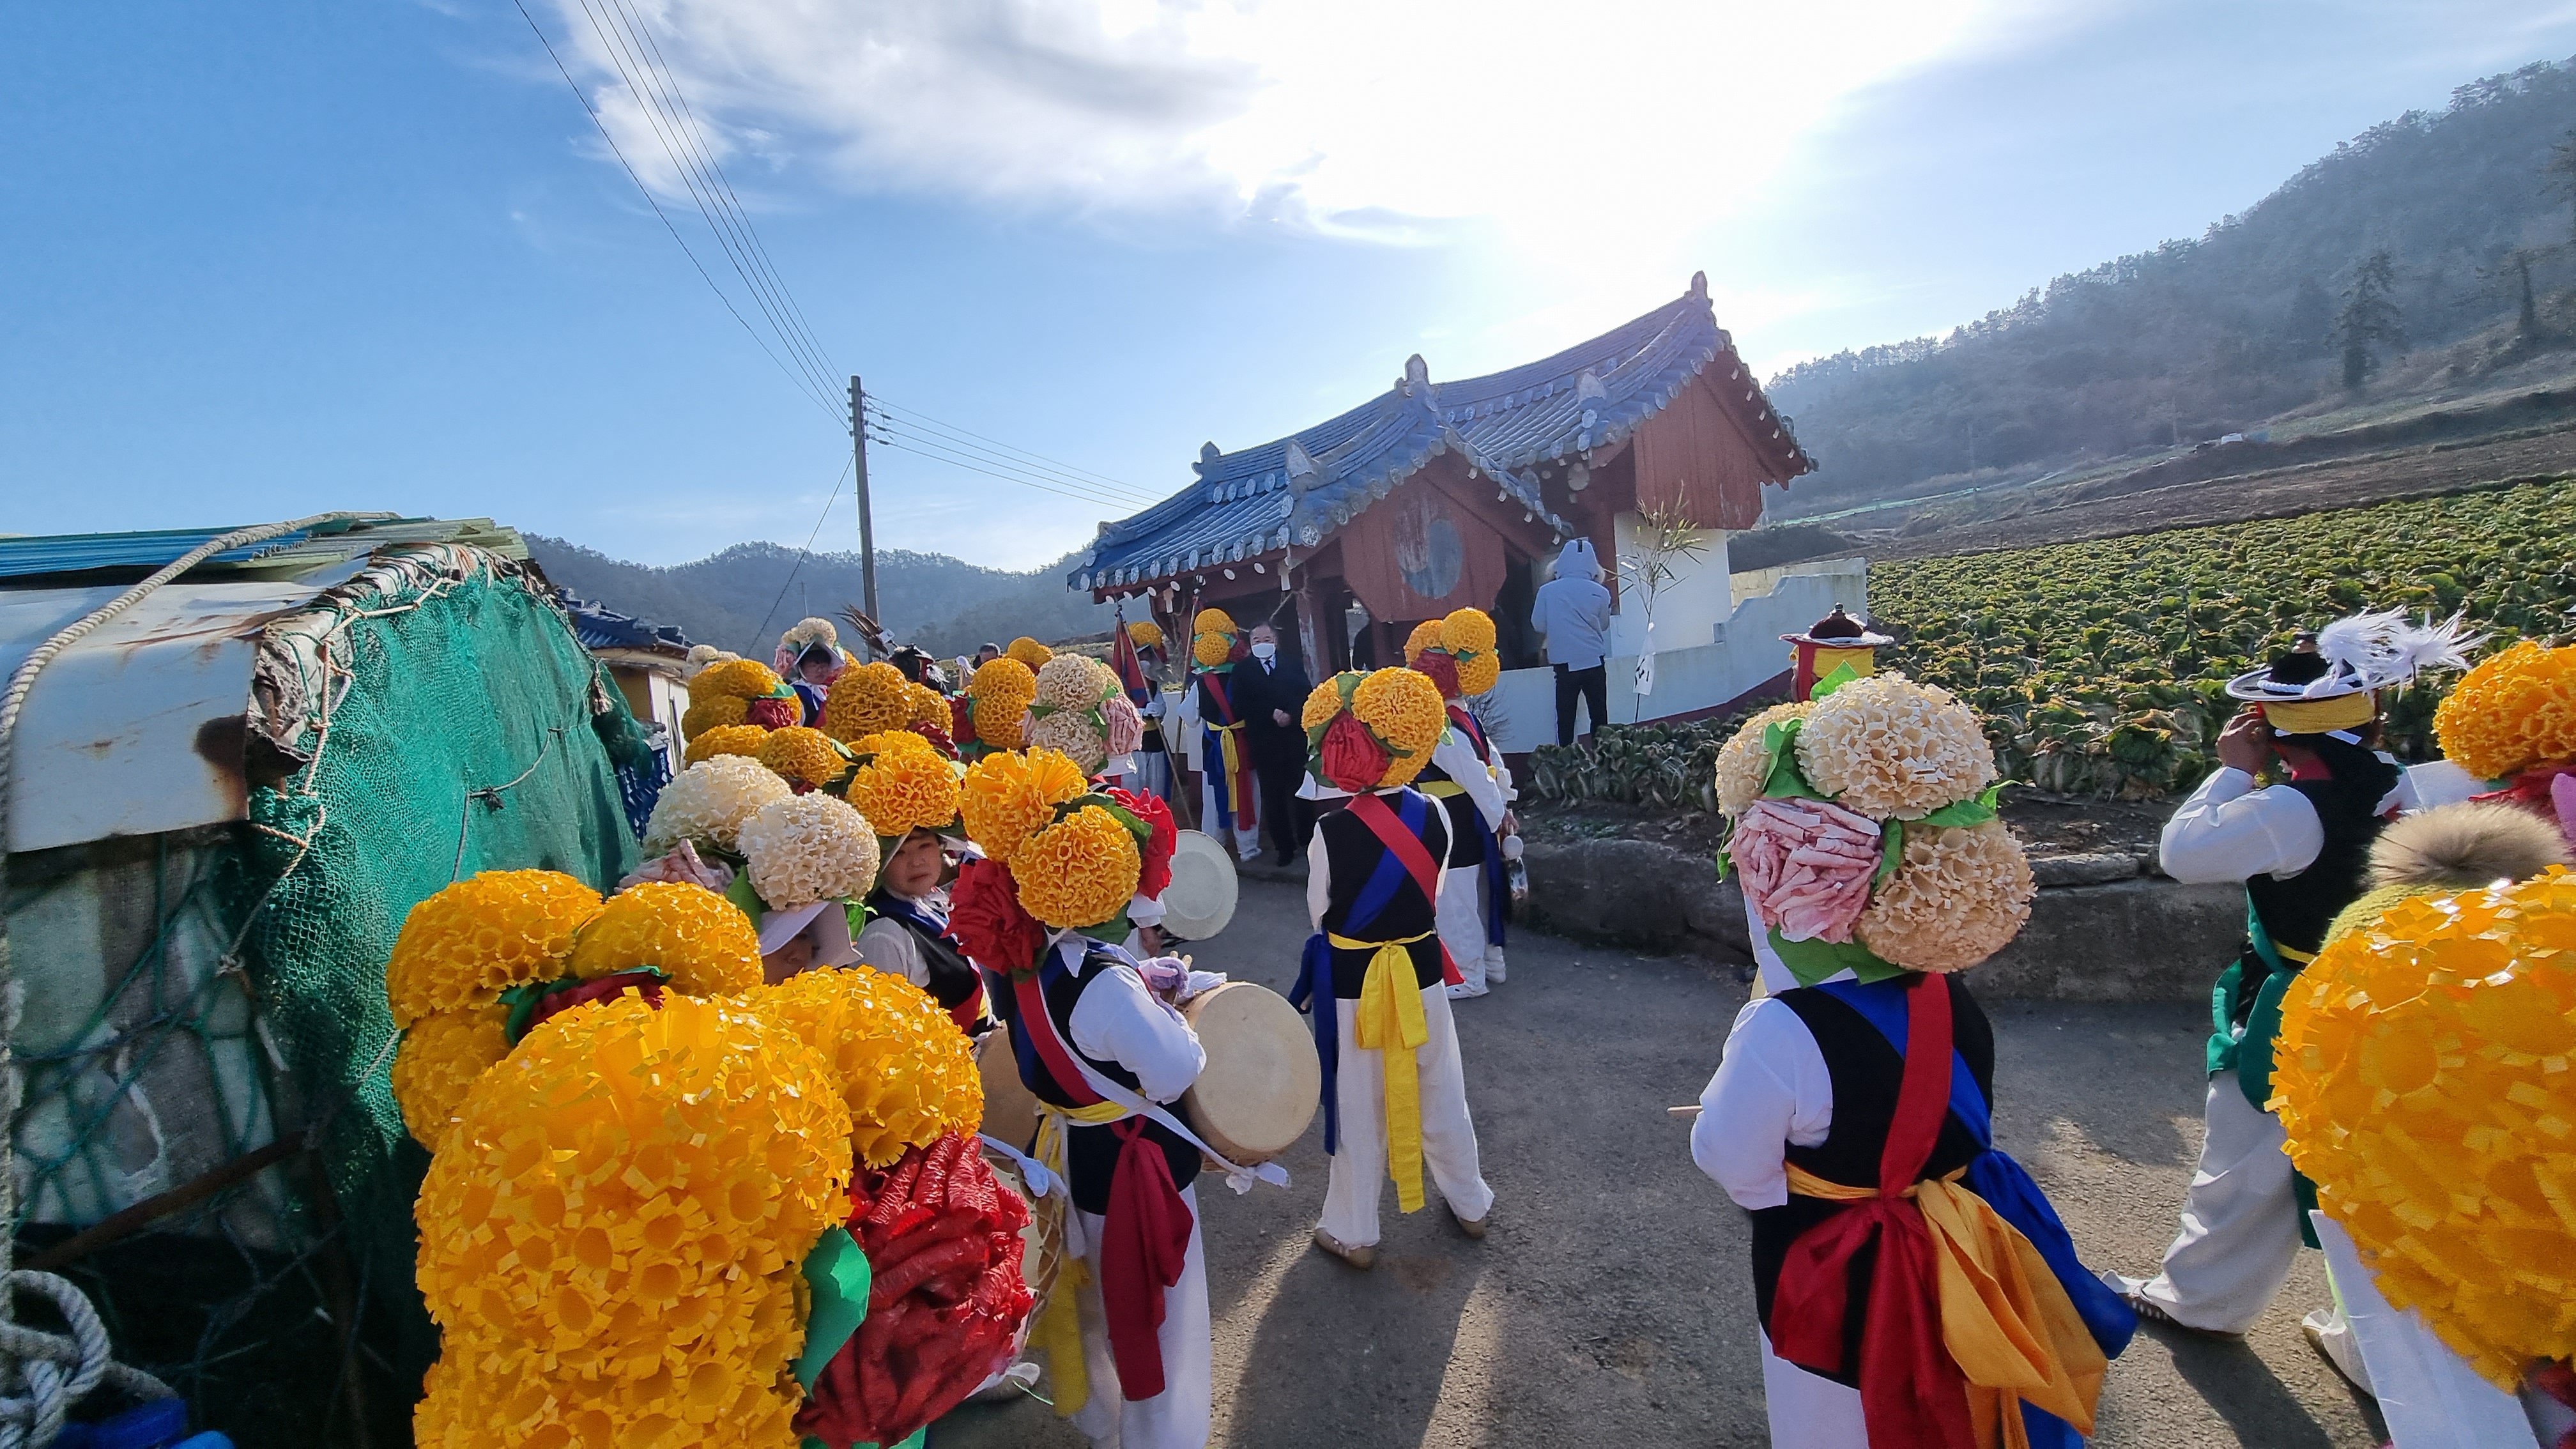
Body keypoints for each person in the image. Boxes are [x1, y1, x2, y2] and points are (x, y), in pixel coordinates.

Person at [1693, 675, 2131, 1448]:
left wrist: (1778, 1184)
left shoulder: (1779, 1030)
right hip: (1964, 1248)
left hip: (1831, 1264)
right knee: (1954, 1403)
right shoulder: (1946, 993)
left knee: (1828, 1417)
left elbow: (1731, 1159)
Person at [2103, 610, 2474, 1376]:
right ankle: (2371, 1347)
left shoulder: (2289, 809)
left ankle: (2203, 1299)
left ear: (2271, 727)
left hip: (2304, 1003)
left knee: (2245, 1155)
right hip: (2398, 1003)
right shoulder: (2407, 786)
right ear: (2371, 715)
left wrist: (2232, 769)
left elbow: (2184, 853)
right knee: (2378, 1176)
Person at [1290, 667, 1494, 1270]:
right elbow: (1432, 896)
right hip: (1422, 972)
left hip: (1355, 987)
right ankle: (1472, 1204)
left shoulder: (1329, 831)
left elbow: (1320, 915)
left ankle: (1355, 1233)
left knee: (1358, 1104)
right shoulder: (1437, 814)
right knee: (1442, 1089)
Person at [1405, 613, 1514, 1000]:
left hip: (1452, 818)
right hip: (1473, 816)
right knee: (1481, 894)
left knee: (1456, 901)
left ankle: (1469, 977)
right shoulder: (1464, 713)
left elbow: (1473, 772)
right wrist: (1503, 804)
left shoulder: (1439, 722)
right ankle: (1492, 964)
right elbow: (1492, 764)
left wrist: (1500, 814)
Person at [855, 827, 990, 1035]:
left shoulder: (933, 900)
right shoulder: (882, 935)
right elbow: (884, 1032)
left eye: (924, 845)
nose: (916, 862)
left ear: (940, 847)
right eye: (900, 853)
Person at [1231, 621, 1315, 867]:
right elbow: (1241, 704)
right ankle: (1284, 848)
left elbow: (1305, 694)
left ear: (1275, 641)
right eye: (1257, 641)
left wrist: (1290, 714)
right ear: (1250, 644)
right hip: (1264, 741)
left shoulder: (1293, 664)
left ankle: (1308, 839)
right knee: (1273, 797)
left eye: (1267, 639)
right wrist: (1271, 713)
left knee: (1301, 791)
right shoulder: (1242, 671)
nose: (1262, 644)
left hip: (1294, 739)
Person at [1188, 610, 1261, 862]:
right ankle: (1248, 847)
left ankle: (1214, 844)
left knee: (1213, 796)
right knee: (1248, 792)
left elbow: (1190, 717)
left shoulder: (1199, 684)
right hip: (1242, 742)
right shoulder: (1247, 676)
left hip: (1213, 746)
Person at [1529, 538, 1613, 747]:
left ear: (1561, 563)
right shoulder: (1601, 593)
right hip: (1594, 662)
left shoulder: (1547, 591)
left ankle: (1566, 759)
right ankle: (1601, 757)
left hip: (1564, 665)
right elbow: (1604, 625)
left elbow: (1538, 625)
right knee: (1600, 717)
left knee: (1565, 720)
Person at [776, 617, 850, 726]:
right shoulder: (793, 694)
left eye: (825, 665)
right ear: (801, 666)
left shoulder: (829, 693)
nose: (820, 670)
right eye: (814, 665)